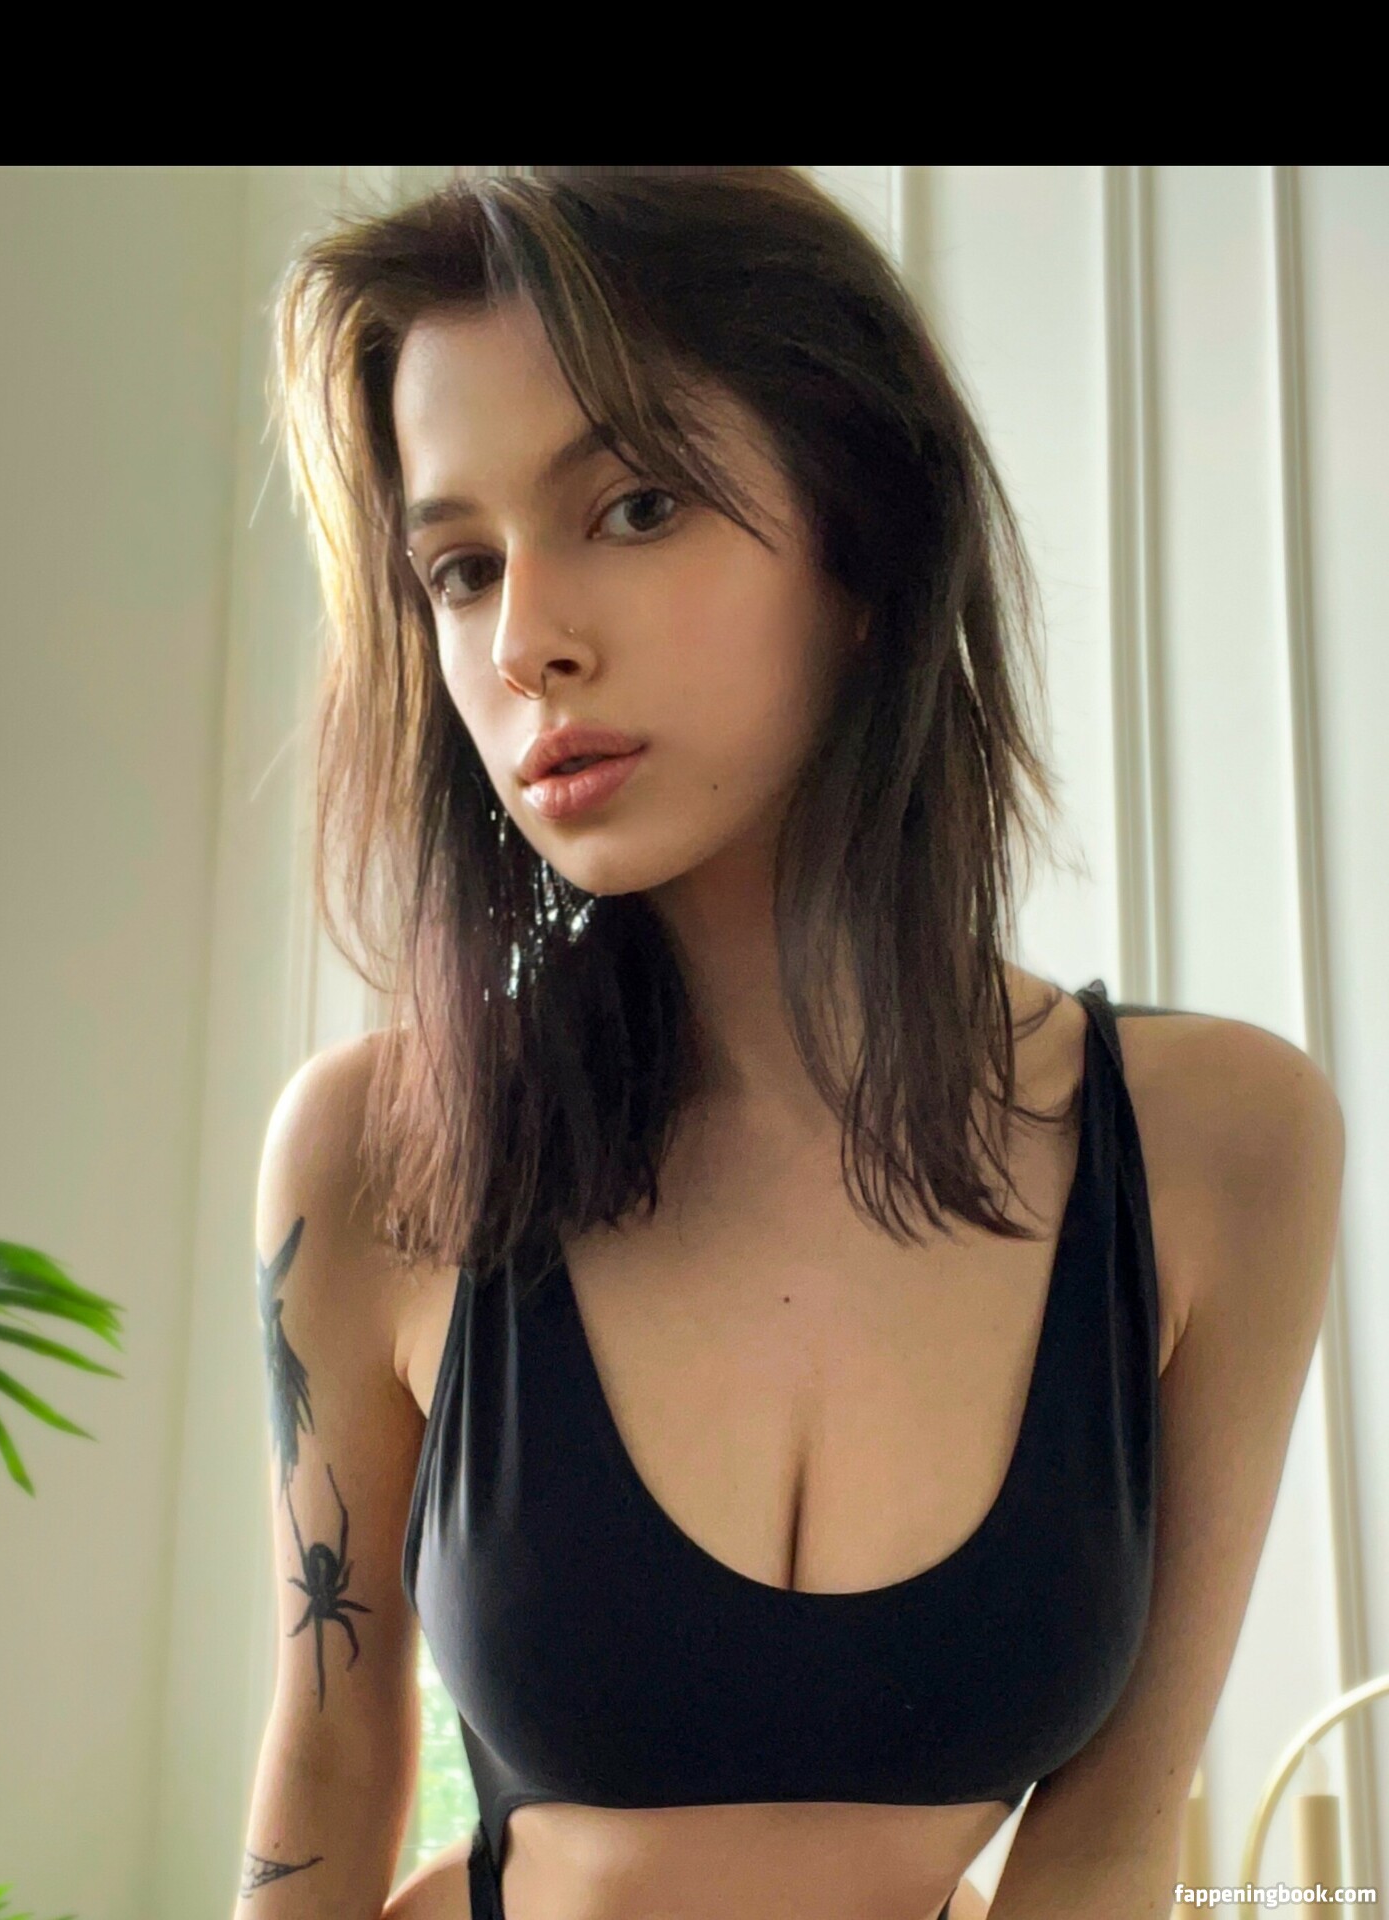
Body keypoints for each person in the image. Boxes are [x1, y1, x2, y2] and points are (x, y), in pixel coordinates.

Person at [235, 168, 1345, 1920]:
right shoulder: (380, 1153)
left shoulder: (1220, 1146)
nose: (525, 642)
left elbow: (1112, 1835)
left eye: (635, 505)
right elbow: (326, 1766)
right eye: (459, 567)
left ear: (865, 543)